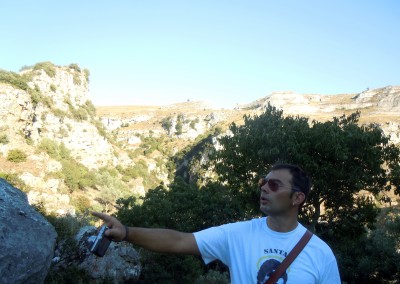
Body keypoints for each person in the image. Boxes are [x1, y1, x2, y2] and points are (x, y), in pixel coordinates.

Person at [92, 163, 341, 283]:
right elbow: (180, 240)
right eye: (262, 183)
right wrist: (126, 232)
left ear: (298, 198)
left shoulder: (320, 253)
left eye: (274, 185)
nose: (264, 188)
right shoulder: (238, 234)